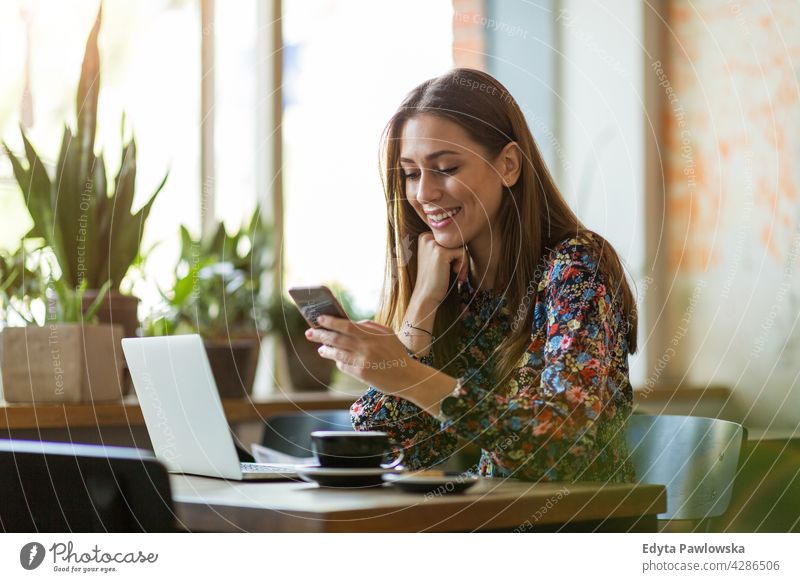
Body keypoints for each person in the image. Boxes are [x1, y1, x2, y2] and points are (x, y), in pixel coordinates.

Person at [304, 68, 638, 483]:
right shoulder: (453, 287)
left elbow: (564, 446)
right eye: (411, 173)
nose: (424, 193)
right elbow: (397, 446)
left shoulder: (575, 270)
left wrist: (407, 373)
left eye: (445, 167)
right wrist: (422, 305)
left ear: (509, 165)